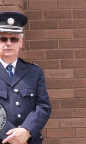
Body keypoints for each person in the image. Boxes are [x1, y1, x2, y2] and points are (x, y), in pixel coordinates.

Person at [0, 11, 51, 144]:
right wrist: (12, 136)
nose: (8, 43)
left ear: (21, 42)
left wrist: (26, 130)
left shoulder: (35, 72)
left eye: (14, 39)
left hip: (29, 140)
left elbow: (43, 106)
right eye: (3, 39)